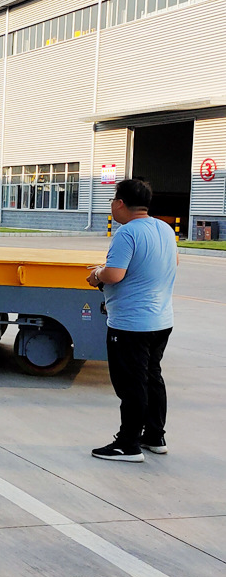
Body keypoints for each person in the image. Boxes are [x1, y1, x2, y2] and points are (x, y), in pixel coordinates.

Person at [86, 178, 177, 463]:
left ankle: (127, 443)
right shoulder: (163, 228)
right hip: (161, 319)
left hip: (131, 324)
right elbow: (170, 264)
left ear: (121, 203)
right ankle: (154, 435)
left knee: (130, 383)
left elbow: (114, 275)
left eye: (113, 200)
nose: (112, 206)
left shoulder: (127, 234)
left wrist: (97, 274)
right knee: (152, 377)